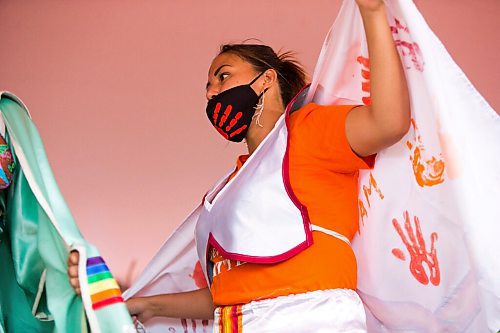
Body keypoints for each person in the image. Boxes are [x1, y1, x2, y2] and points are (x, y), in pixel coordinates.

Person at [69, 0, 410, 331]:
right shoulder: (230, 185)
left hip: (309, 317)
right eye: (207, 85)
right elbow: (232, 292)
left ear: (266, 80)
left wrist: (373, 11)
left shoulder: (308, 129)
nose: (211, 93)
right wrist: (148, 304)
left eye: (223, 76)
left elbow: (389, 122)